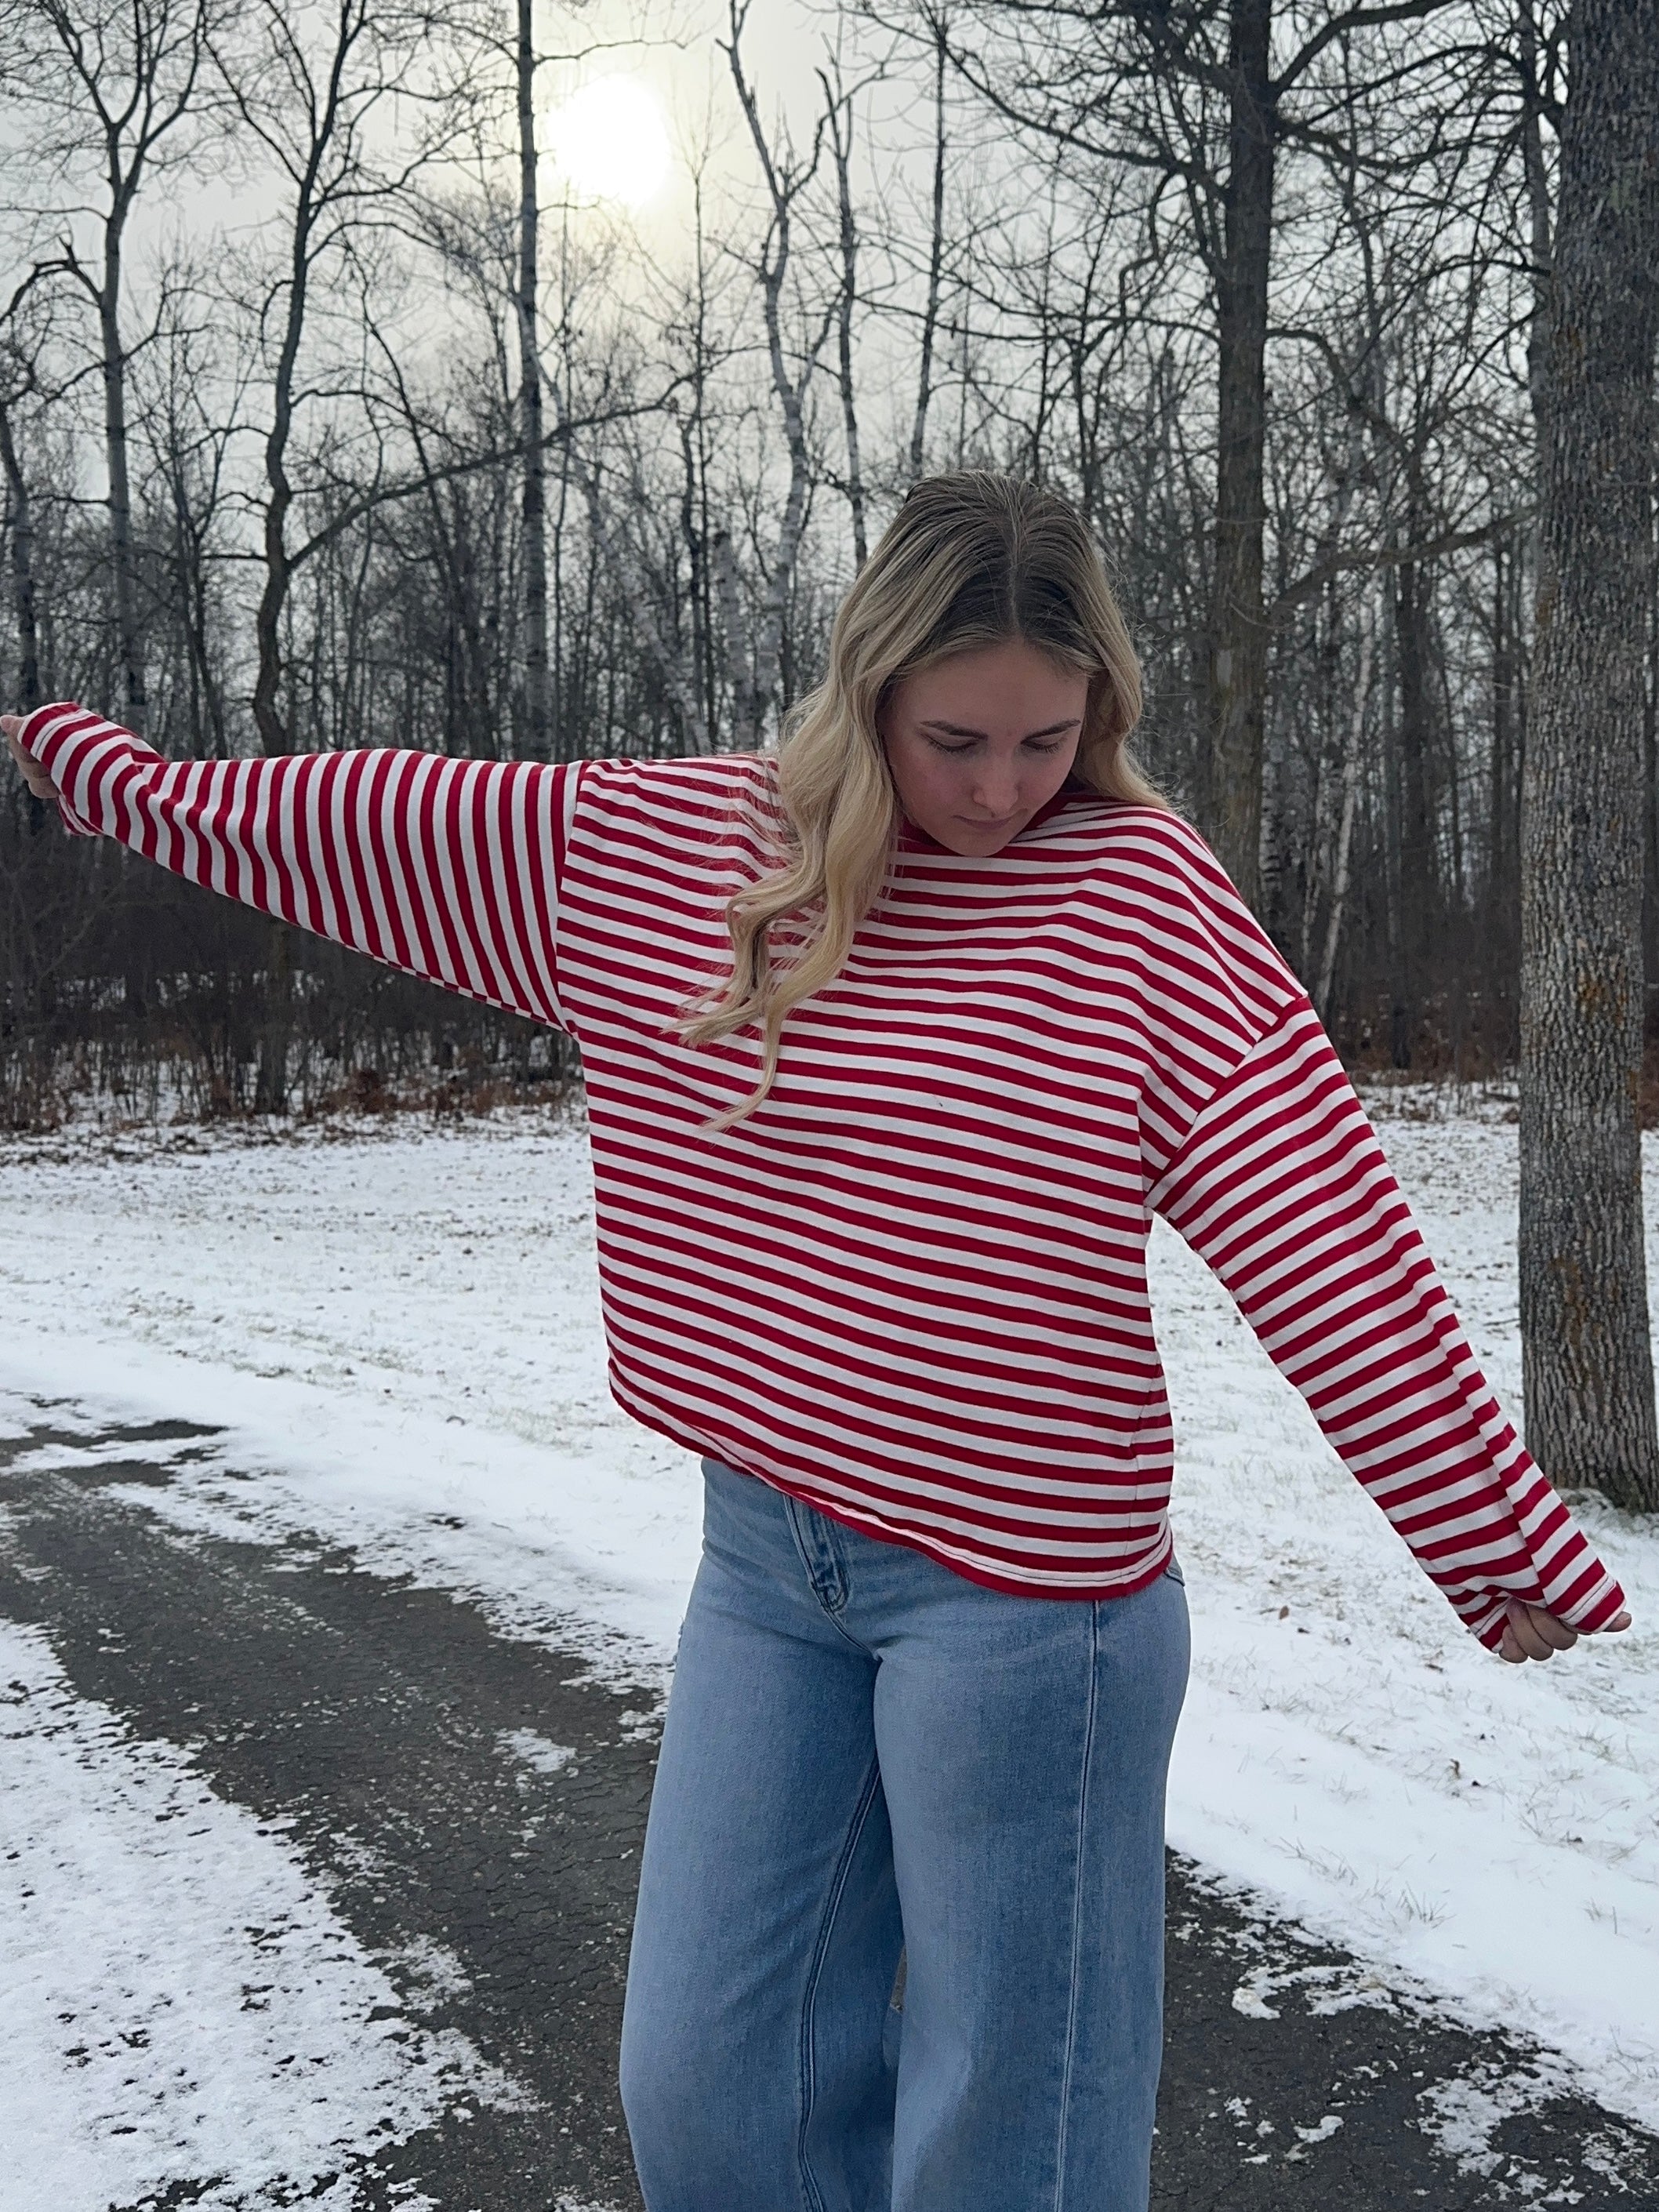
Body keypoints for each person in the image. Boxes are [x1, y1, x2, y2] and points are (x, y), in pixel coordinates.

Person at [4, 471, 1630, 2212]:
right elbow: (368, 822)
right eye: (955, 740)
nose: (1000, 790)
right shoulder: (678, 859)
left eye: (1045, 740)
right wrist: (109, 772)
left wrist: (1483, 1529)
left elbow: (1318, 1216)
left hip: (1031, 1615)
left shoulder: (1136, 900)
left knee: (1007, 2141)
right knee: (712, 2092)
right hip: (768, 1566)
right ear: (866, 692)